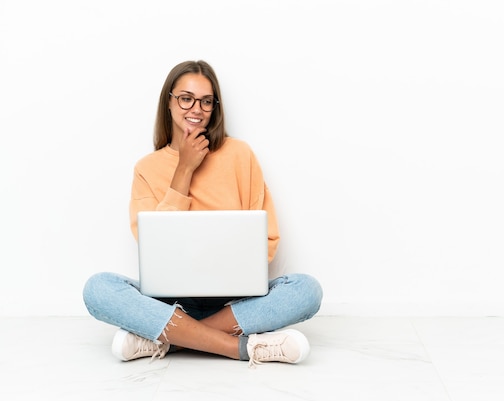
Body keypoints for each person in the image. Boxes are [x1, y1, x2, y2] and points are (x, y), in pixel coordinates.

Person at [82, 60, 323, 367]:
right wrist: (183, 169)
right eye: (186, 98)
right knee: (98, 289)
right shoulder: (147, 169)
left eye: (206, 101)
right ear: (168, 102)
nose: (196, 109)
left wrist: (231, 268)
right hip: (169, 303)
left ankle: (167, 339)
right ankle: (241, 347)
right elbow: (155, 246)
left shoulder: (239, 155)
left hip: (234, 303)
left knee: (306, 290)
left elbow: (268, 239)